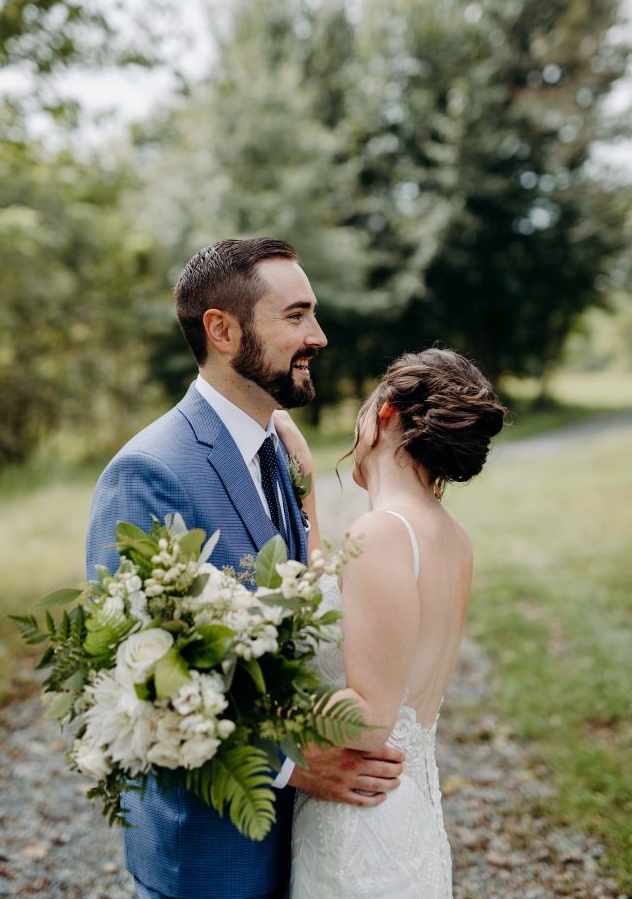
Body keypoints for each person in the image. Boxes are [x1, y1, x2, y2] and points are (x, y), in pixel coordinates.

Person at [85, 237, 404, 899]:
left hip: (292, 846)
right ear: (222, 330)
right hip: (206, 855)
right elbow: (129, 680)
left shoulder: (277, 452)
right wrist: (289, 767)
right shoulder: (151, 471)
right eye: (294, 316)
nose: (317, 334)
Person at [274, 348, 506, 899]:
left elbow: (371, 718)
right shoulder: (450, 537)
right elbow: (358, 617)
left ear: (384, 412)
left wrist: (255, 716)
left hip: (360, 831)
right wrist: (303, 486)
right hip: (408, 816)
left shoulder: (381, 533)